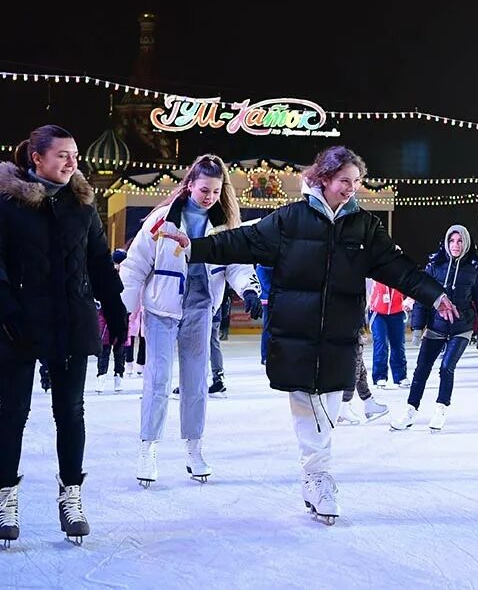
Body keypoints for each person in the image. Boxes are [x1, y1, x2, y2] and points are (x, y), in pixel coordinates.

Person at [164, 145, 450, 524]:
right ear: (325, 178)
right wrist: (194, 247)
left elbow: (399, 269)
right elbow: (240, 243)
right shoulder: (290, 220)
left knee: (329, 406)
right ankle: (318, 475)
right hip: (296, 330)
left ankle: (314, 474)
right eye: (344, 180)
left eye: (356, 183)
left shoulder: (364, 227)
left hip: (339, 332)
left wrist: (435, 294)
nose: (351, 188)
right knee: (307, 406)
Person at [0, 124, 128, 546]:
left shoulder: (82, 206)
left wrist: (115, 310)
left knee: (71, 413)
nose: (72, 162)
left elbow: (98, 264)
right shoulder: (6, 204)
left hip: (71, 323)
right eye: (62, 154)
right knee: (14, 414)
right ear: (36, 158)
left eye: (74, 154)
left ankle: (71, 495)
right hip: (18, 322)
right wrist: (5, 307)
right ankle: (5, 498)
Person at [119, 154, 261, 488]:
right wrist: (123, 307)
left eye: (215, 190)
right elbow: (136, 264)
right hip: (162, 309)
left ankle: (194, 448)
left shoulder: (226, 224)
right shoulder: (163, 220)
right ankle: (148, 448)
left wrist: (249, 289)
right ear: (190, 186)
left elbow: (236, 263)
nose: (209, 196)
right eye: (203, 190)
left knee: (197, 382)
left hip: (200, 309)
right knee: (156, 379)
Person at [390, 224, 478, 432]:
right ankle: (410, 410)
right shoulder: (435, 266)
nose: (455, 245)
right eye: (452, 241)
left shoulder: (474, 268)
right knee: (421, 370)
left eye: (460, 240)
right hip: (436, 326)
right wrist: (417, 327)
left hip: (461, 328)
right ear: (446, 242)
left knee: (446, 367)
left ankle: (441, 408)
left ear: (466, 243)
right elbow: (422, 296)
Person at [94, 249, 130, 393]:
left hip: (117, 315)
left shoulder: (126, 275)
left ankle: (116, 377)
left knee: (116, 349)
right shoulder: (106, 276)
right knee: (108, 348)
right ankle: (104, 377)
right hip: (109, 316)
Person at [367, 279, 408, 387]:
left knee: (398, 344)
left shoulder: (401, 269)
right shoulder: (373, 268)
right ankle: (379, 376)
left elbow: (412, 285)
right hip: (377, 312)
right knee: (381, 343)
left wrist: (409, 300)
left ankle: (400, 376)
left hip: (397, 311)